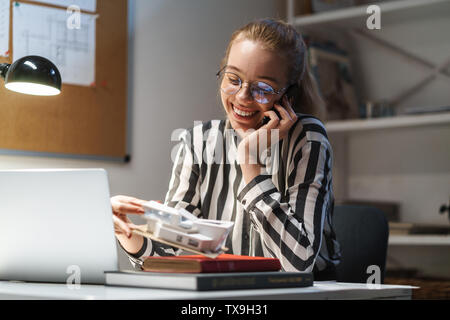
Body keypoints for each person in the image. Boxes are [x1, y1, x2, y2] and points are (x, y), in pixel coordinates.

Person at [112, 18, 341, 280]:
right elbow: (176, 254)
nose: (243, 97)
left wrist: (249, 162)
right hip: (223, 290)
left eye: (263, 88)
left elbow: (297, 266)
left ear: (287, 96)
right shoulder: (200, 140)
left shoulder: (308, 139)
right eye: (234, 79)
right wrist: (129, 235)